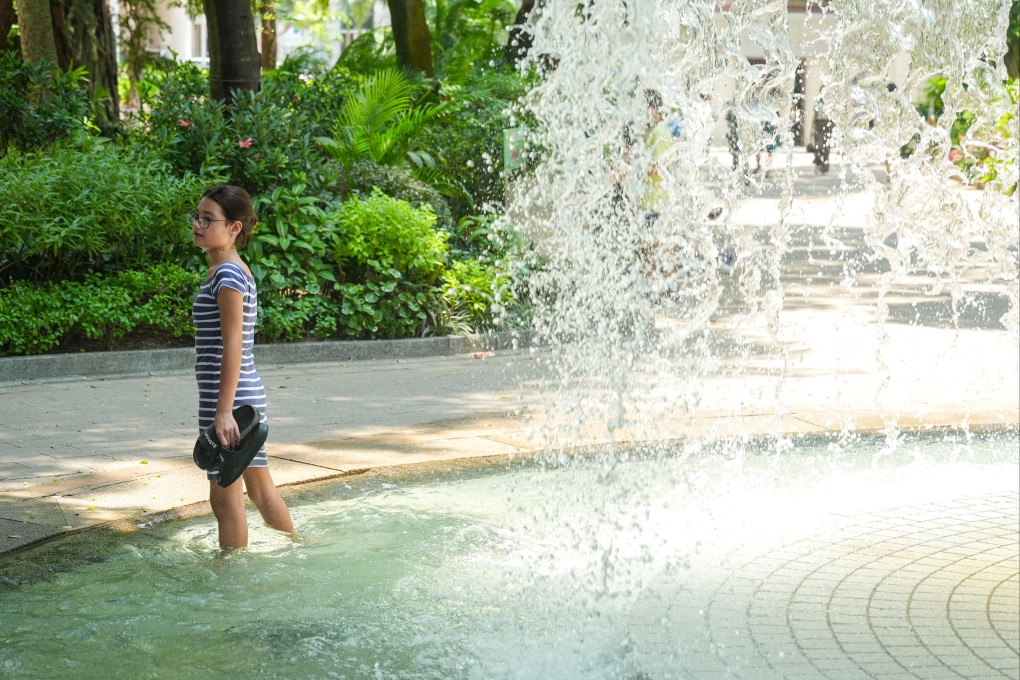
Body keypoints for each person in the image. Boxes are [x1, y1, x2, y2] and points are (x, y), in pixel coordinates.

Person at [190, 185, 294, 549]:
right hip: (236, 393)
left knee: (224, 496)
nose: (198, 224)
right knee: (260, 490)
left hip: (230, 398)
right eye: (197, 216)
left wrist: (222, 411)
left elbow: (234, 343)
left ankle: (230, 581)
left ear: (235, 228)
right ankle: (302, 549)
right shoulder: (224, 271)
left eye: (208, 219)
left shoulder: (228, 275)